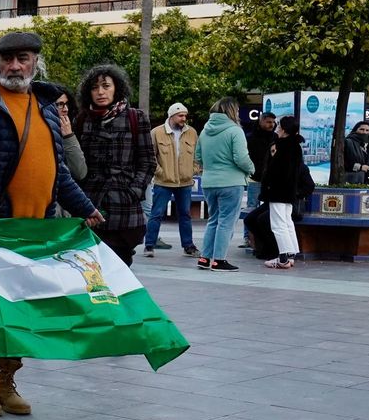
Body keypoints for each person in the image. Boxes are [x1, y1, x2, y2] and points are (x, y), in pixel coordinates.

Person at [0, 31, 100, 418]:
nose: (14, 66)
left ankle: (5, 382)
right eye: (6, 58)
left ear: (35, 62)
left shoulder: (45, 107)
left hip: (36, 231)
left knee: (25, 309)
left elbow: (57, 172)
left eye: (22, 58)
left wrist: (85, 208)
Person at [72, 65, 156, 265]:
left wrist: (133, 191)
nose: (100, 92)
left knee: (120, 268)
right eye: (95, 87)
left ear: (116, 88)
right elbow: (75, 164)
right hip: (91, 208)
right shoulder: (82, 119)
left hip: (125, 211)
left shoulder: (135, 117)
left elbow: (148, 162)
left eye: (106, 86)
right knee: (91, 271)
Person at [194, 96, 254, 272]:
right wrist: (251, 169)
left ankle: (205, 258)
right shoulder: (235, 131)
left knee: (213, 220)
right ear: (232, 111)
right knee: (226, 222)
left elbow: (198, 157)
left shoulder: (205, 131)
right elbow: (241, 158)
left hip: (209, 182)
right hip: (231, 182)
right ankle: (219, 260)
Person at [144, 103, 199, 259]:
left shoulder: (192, 132)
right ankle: (149, 245)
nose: (184, 118)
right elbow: (150, 156)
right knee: (156, 214)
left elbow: (197, 155)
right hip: (163, 182)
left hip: (185, 182)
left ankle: (188, 246)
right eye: (180, 115)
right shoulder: (157, 132)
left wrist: (192, 170)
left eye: (185, 115)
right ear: (171, 116)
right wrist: (160, 172)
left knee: (185, 215)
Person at [260, 115, 308, 270]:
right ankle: (291, 254)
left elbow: (276, 171)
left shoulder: (283, 146)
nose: (277, 128)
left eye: (279, 126)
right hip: (289, 191)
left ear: (285, 129)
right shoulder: (295, 146)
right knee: (287, 222)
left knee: (278, 224)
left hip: (278, 190)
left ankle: (283, 257)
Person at [244, 112, 277, 247]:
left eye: (273, 122)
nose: (272, 125)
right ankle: (248, 238)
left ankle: (264, 235)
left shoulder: (275, 137)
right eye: (269, 122)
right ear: (261, 121)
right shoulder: (250, 137)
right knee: (251, 208)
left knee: (270, 208)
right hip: (255, 178)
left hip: (271, 179)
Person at [50, 85, 86, 182]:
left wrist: (68, 137)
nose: (65, 109)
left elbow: (80, 172)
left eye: (66, 104)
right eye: (59, 104)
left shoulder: (72, 127)